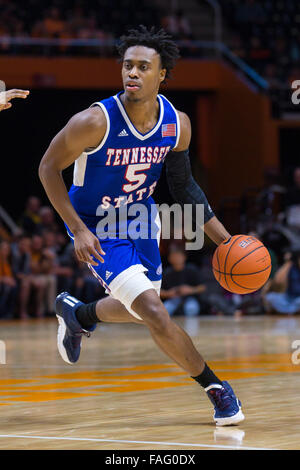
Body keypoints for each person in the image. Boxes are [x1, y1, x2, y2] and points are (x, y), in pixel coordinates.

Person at [39, 25, 244, 426]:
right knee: (153, 310)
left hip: (139, 218)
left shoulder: (177, 124)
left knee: (138, 310)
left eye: (143, 66)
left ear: (162, 74)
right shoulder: (93, 122)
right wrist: (77, 229)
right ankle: (217, 390)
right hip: (96, 225)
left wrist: (226, 242)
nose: (132, 73)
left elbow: (185, 187)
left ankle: (78, 315)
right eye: (127, 65)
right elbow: (47, 168)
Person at [161, 245, 205, 316]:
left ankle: (190, 327)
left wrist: (190, 290)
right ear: (169, 258)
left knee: (191, 308)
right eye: (174, 256)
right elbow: (159, 291)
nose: (176, 258)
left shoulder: (192, 269)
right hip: (173, 299)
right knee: (165, 309)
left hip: (190, 298)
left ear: (184, 257)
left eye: (178, 256)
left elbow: (202, 287)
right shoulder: (166, 272)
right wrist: (168, 293)